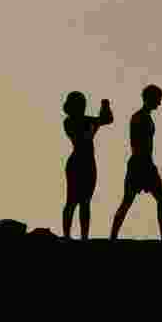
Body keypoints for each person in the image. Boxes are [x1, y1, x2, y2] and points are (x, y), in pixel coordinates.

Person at [110, 84, 162, 242]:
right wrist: (144, 165)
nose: (159, 103)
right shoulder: (139, 117)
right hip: (141, 164)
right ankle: (113, 237)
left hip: (144, 163)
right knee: (129, 201)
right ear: (150, 98)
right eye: (158, 99)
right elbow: (137, 143)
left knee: (159, 200)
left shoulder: (144, 116)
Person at [62, 92, 114, 240]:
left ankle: (84, 236)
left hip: (88, 163)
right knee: (72, 200)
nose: (83, 106)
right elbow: (82, 137)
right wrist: (93, 126)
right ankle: (67, 235)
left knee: (85, 202)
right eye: (80, 104)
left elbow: (108, 119)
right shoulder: (69, 121)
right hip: (78, 163)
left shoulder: (87, 120)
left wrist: (105, 106)